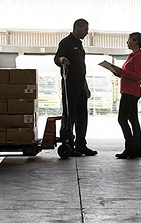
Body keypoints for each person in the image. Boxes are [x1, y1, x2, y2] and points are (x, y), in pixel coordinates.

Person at [54, 19, 97, 156]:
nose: (87, 32)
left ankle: (81, 145)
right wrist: (61, 60)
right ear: (77, 28)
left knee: (82, 116)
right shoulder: (66, 42)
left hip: (81, 85)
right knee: (70, 115)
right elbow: (57, 58)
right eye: (85, 29)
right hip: (70, 85)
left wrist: (86, 86)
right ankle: (68, 145)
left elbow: (81, 68)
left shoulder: (79, 45)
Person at [113, 32, 141, 159]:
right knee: (133, 121)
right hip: (129, 91)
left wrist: (122, 72)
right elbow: (128, 73)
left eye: (129, 40)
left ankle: (130, 148)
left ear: (136, 41)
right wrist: (118, 72)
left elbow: (138, 75)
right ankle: (136, 150)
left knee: (122, 119)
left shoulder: (138, 57)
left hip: (130, 92)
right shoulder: (132, 56)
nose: (127, 42)